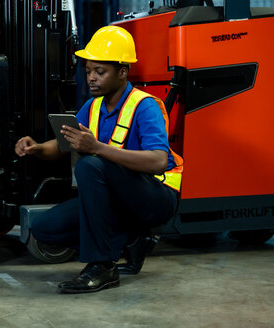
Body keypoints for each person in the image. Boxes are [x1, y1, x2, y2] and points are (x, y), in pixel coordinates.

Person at [14, 26, 183, 294]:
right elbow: (62, 145)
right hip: (118, 201)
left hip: (156, 196)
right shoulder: (92, 106)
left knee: (90, 164)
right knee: (45, 229)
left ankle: (102, 266)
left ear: (123, 72)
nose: (91, 78)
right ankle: (130, 239)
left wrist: (97, 148)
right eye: (88, 71)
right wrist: (36, 148)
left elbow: (159, 161)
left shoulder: (145, 105)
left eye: (100, 72)